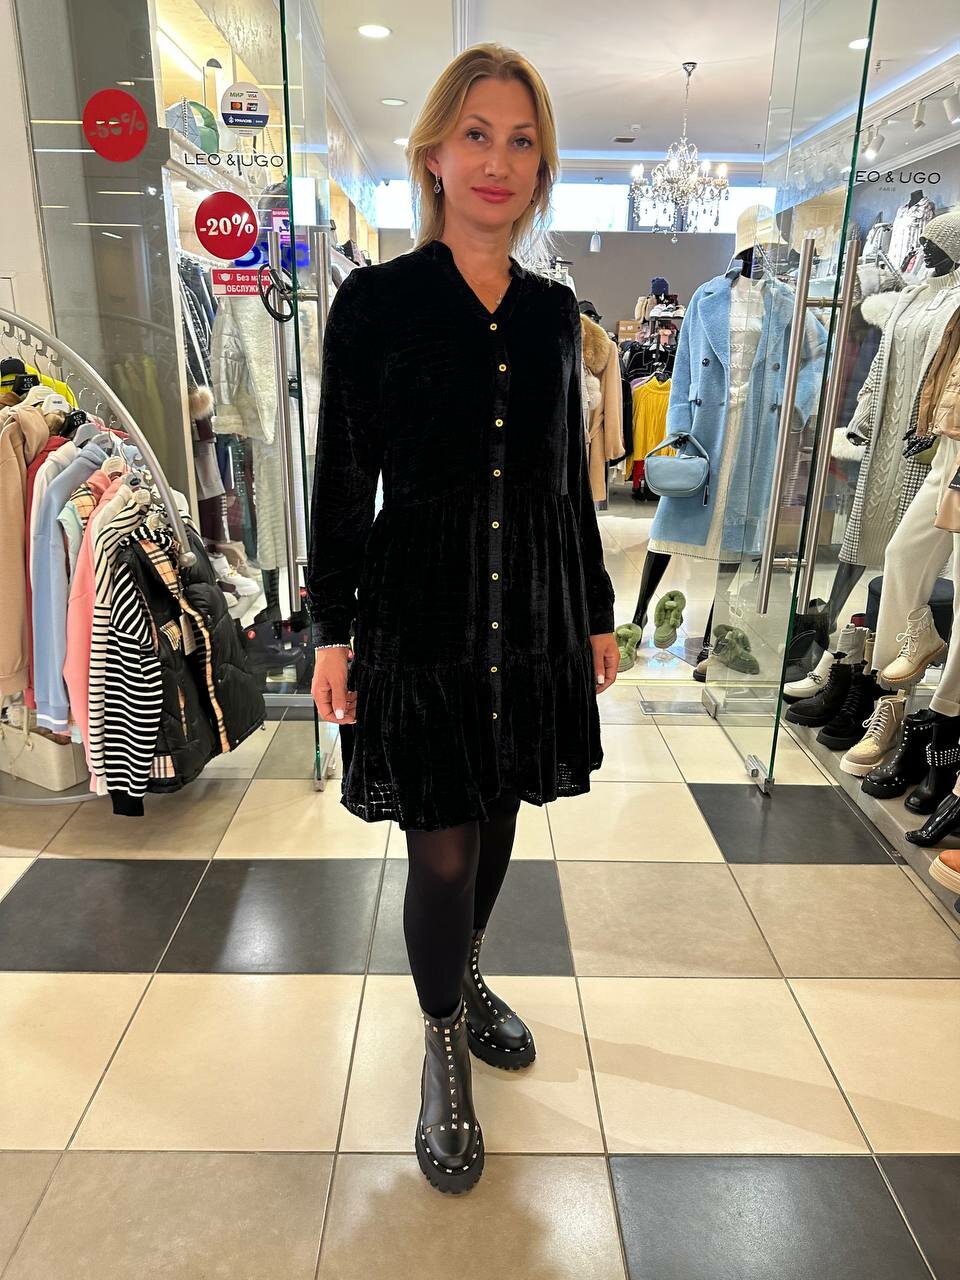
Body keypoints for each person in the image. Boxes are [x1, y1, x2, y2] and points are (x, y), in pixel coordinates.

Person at [307, 43, 618, 1195]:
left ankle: (470, 973)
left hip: (527, 609)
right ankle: (443, 1044)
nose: (499, 160)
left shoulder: (552, 315)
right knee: (440, 851)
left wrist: (592, 613)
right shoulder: (376, 304)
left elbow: (567, 481)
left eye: (522, 140)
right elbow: (344, 478)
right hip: (422, 612)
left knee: (496, 820)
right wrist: (329, 628)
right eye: (477, 134)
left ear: (543, 166)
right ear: (434, 152)